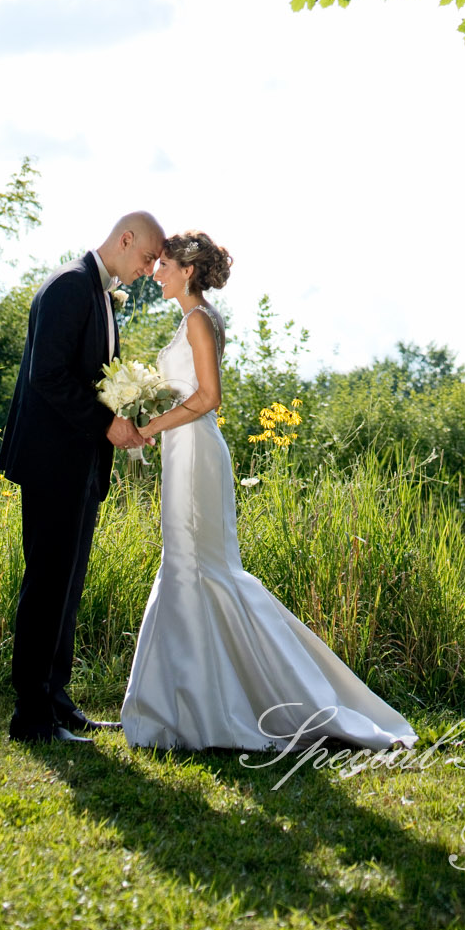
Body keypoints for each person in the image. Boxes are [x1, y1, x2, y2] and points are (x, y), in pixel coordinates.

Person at [121, 230, 416, 753]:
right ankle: (195, 704)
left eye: (163, 263)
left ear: (187, 270)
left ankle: (221, 706)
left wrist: (151, 425)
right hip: (184, 452)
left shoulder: (197, 321)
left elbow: (209, 397)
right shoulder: (197, 319)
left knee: (199, 569)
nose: (154, 271)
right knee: (189, 567)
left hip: (194, 455)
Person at [0, 211, 164, 742]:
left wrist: (120, 417)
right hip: (53, 463)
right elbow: (45, 375)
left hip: (82, 465)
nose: (148, 270)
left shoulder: (100, 291)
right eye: (146, 258)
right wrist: (106, 423)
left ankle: (57, 701)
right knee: (47, 585)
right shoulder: (70, 286)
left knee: (67, 588)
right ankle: (31, 716)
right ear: (125, 238)